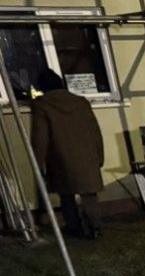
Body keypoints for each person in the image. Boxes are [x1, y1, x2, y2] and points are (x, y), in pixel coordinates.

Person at [30, 70, 105, 239]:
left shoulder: (42, 105)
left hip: (60, 157)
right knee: (89, 194)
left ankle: (74, 227)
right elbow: (95, 131)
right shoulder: (81, 102)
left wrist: (38, 161)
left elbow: (40, 136)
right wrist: (99, 155)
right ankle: (94, 227)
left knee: (66, 195)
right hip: (87, 154)